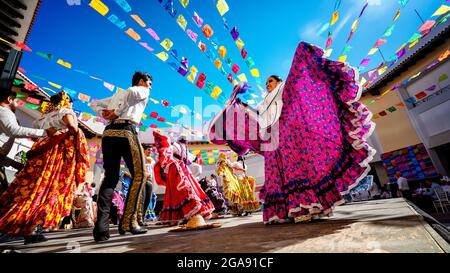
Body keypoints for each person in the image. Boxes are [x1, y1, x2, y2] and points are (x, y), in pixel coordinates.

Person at [208, 42, 376, 224]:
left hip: (290, 137)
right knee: (276, 174)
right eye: (266, 83)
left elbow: (295, 95)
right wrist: (240, 106)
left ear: (279, 82)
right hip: (273, 140)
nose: (268, 84)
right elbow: (258, 118)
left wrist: (302, 55)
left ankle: (308, 206)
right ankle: (284, 212)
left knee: (296, 170)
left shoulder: (285, 91)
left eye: (270, 81)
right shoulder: (265, 102)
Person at [0, 91, 89, 244]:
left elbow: (36, 137)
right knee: (48, 191)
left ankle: (29, 229)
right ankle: (31, 229)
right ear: (66, 101)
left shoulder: (43, 117)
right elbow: (73, 128)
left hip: (39, 155)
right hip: (55, 156)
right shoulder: (66, 112)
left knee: (31, 190)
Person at [91, 71, 152, 242]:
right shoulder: (140, 90)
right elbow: (133, 93)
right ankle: (128, 222)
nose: (150, 87)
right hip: (126, 131)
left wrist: (105, 113)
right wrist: (117, 112)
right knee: (140, 175)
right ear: (142, 81)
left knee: (110, 178)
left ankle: (101, 230)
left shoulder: (117, 93)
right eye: (149, 83)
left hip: (109, 133)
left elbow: (94, 104)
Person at [0, 89, 58, 194]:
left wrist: (13, 163)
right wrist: (45, 132)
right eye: (16, 101)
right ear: (9, 99)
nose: (18, 104)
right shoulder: (4, 111)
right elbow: (15, 130)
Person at [153, 131, 215, 226]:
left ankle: (185, 215)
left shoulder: (176, 147)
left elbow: (165, 158)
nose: (185, 142)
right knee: (181, 192)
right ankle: (186, 215)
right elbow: (189, 161)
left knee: (178, 192)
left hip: (177, 170)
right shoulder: (182, 148)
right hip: (180, 170)